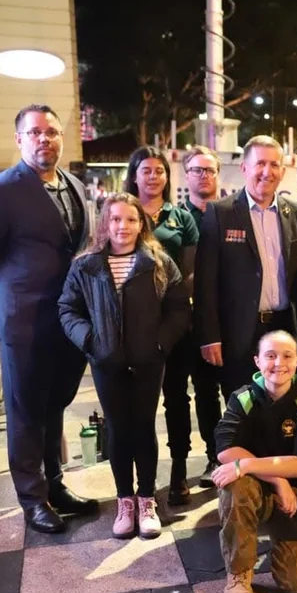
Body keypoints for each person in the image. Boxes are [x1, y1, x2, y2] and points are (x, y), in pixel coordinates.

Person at [0, 103, 98, 534]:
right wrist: (10, 294)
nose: (45, 139)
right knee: (25, 413)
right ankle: (32, 499)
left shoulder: (74, 185)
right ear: (19, 138)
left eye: (52, 132)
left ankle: (54, 484)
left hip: (67, 319)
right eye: (35, 132)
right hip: (23, 319)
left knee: (54, 405)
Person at [59, 193, 190, 539]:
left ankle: (146, 499)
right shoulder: (85, 265)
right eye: (116, 219)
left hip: (148, 361)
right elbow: (67, 309)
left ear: (141, 224)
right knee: (117, 429)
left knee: (144, 427)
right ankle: (125, 500)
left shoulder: (159, 263)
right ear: (105, 223)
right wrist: (91, 341)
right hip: (107, 362)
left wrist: (160, 343)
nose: (123, 226)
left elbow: (179, 308)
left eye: (131, 219)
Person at [210, 330, 297, 593]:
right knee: (234, 484)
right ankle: (238, 574)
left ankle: (282, 537)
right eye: (270, 356)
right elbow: (225, 450)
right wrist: (277, 480)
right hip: (256, 487)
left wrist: (248, 464)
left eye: (287, 356)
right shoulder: (243, 398)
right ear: (257, 361)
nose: (279, 363)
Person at [193, 135, 297, 398]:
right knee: (242, 408)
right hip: (239, 334)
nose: (267, 172)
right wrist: (210, 336)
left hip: (285, 329)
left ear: (282, 171)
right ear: (244, 168)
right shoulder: (220, 213)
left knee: (285, 410)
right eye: (260, 163)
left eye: (274, 165)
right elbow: (205, 283)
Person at [124, 146, 201, 504]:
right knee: (137, 403)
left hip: (175, 321)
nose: (153, 177)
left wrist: (174, 305)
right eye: (146, 170)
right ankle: (140, 481)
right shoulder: (124, 213)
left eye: (159, 171)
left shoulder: (180, 217)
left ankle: (179, 472)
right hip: (133, 324)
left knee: (177, 398)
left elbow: (192, 271)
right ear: (134, 175)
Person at [179, 145, 226, 488]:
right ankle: (213, 454)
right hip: (193, 321)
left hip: (231, 317)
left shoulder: (229, 213)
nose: (204, 176)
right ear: (187, 175)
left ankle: (239, 453)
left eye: (210, 170)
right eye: (197, 170)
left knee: (238, 389)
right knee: (205, 392)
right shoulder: (179, 219)